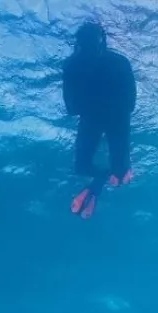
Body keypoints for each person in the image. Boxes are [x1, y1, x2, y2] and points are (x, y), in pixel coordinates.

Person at [62, 21, 137, 219]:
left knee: (83, 166)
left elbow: (71, 108)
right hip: (116, 117)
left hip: (93, 117)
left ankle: (97, 184)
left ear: (78, 43)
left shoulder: (72, 65)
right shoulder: (119, 61)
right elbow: (131, 99)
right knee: (120, 173)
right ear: (102, 41)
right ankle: (98, 185)